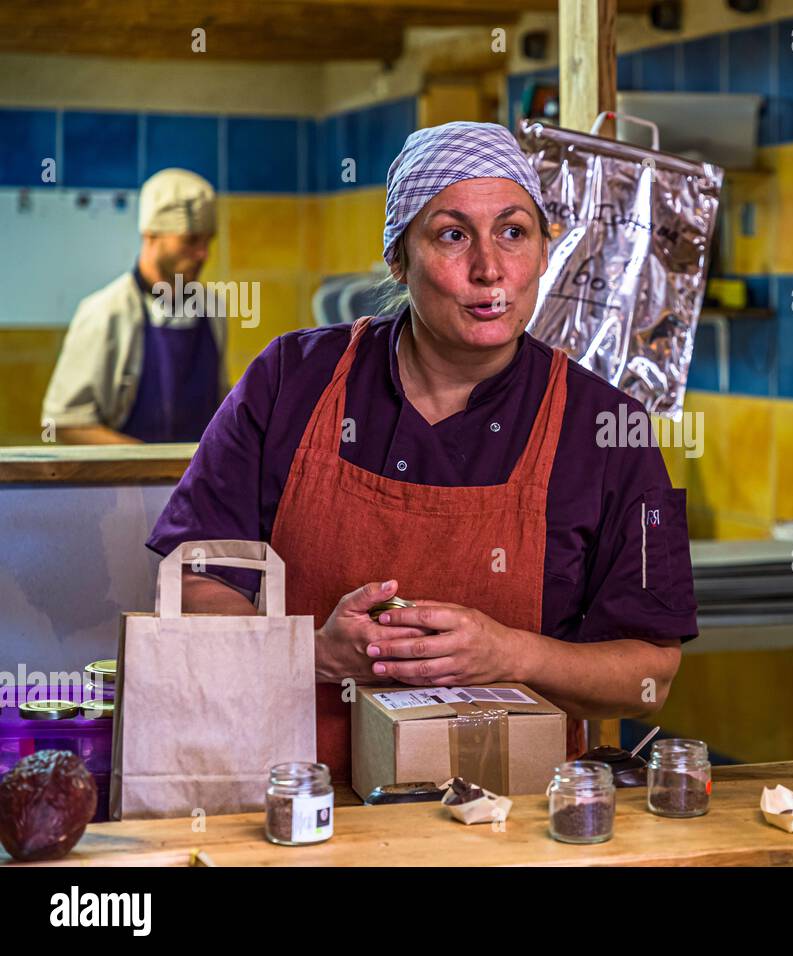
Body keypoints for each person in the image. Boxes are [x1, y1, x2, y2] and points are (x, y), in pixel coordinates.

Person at [145, 122, 698, 782]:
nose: (490, 268)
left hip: (513, 823)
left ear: (545, 254)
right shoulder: (292, 380)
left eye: (514, 231)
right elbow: (196, 585)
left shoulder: (607, 429)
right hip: (293, 806)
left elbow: (648, 675)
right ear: (399, 258)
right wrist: (313, 656)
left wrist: (509, 654)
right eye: (452, 234)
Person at [42, 168, 226, 444]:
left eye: (207, 241)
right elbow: (64, 422)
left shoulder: (213, 310)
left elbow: (218, 401)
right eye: (190, 241)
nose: (203, 254)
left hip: (201, 484)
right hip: (128, 486)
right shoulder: (106, 312)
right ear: (151, 235)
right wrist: (147, 467)